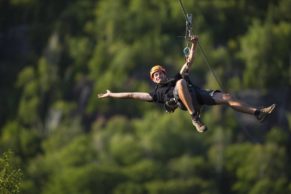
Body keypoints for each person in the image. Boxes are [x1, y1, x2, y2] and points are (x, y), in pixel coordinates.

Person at [98, 35, 276, 133]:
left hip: (197, 95)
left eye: (160, 73)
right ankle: (194, 118)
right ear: (153, 80)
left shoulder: (175, 77)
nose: (158, 76)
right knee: (182, 82)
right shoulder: (155, 94)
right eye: (155, 75)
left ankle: (257, 112)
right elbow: (131, 95)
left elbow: (189, 61)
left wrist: (194, 44)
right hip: (184, 102)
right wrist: (111, 94)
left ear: (164, 74)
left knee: (227, 97)